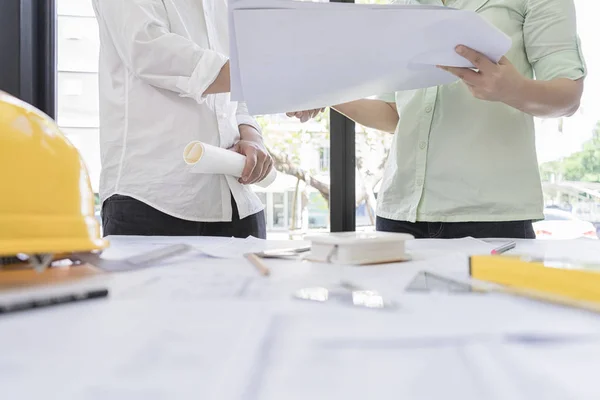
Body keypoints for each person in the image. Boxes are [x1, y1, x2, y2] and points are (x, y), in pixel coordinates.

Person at [289, 0, 585, 239]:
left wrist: (514, 89)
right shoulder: (406, 7)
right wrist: (324, 95)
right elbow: (395, 116)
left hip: (490, 219)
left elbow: (568, 97)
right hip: (399, 216)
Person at [92, 0, 272, 238]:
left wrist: (251, 134)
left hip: (235, 200)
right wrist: (273, 76)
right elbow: (149, 50)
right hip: (152, 201)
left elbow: (234, 84)